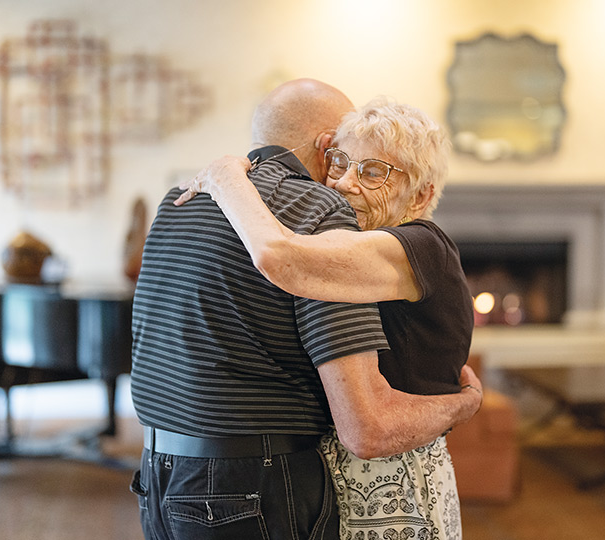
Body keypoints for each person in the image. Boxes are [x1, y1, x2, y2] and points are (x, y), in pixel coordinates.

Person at [130, 79, 482, 540]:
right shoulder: (316, 211)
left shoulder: (180, 201)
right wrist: (461, 405)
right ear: (327, 147)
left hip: (159, 474)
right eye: (341, 161)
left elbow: (281, 257)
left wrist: (228, 176)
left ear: (419, 195)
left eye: (374, 172)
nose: (344, 183)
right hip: (258, 484)